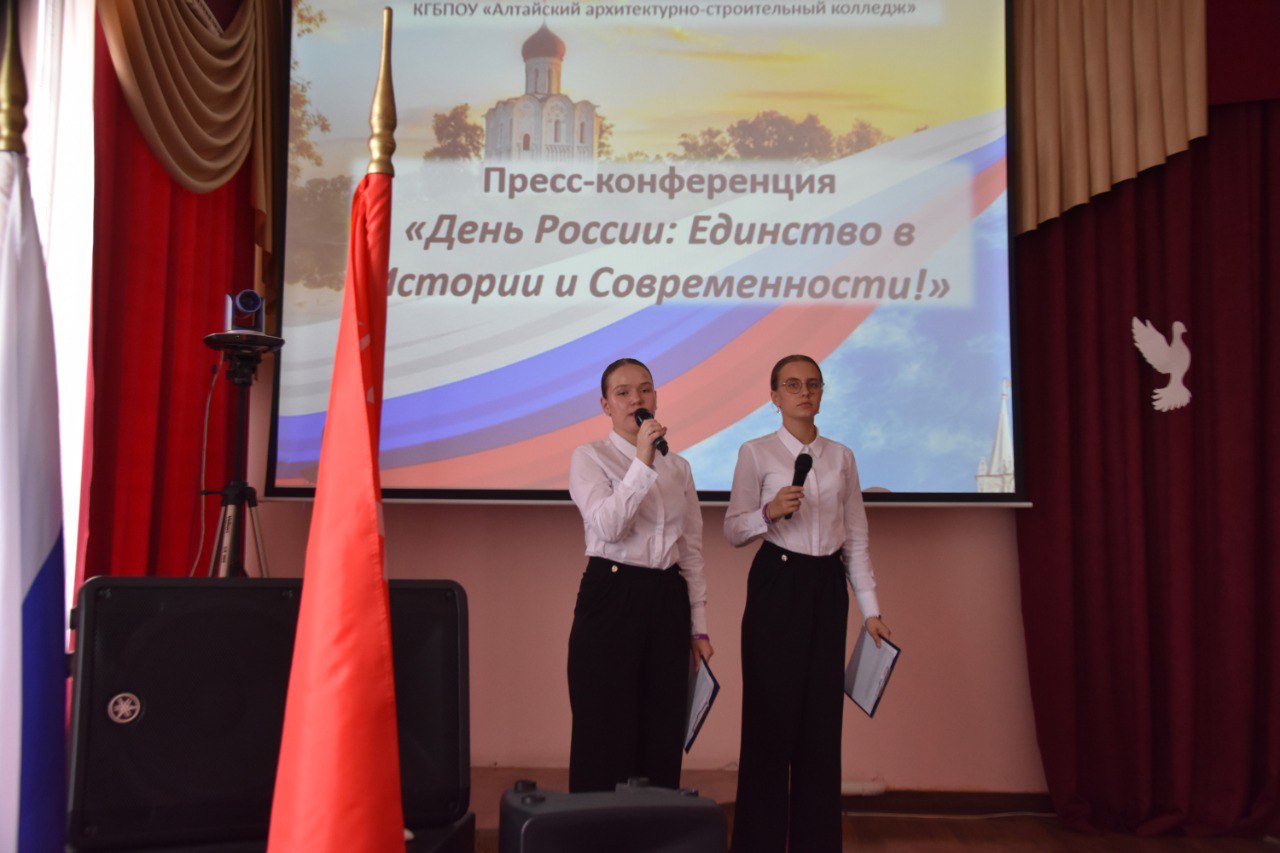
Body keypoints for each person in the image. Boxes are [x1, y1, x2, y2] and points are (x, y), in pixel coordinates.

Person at [724, 354, 891, 853]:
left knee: (821, 722)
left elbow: (856, 537)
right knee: (770, 720)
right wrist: (768, 512)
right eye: (793, 385)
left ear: (822, 393)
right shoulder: (755, 452)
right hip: (777, 582)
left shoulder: (841, 456)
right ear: (774, 396)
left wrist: (871, 610)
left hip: (826, 587)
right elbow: (733, 529)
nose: (804, 392)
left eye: (813, 384)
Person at [566, 358, 714, 793]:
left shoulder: (679, 467)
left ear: (656, 397)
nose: (637, 399)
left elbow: (691, 550)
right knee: (604, 728)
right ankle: (597, 826)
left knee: (662, 728)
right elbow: (608, 527)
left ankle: (655, 824)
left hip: (667, 596)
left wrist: (699, 627)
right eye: (624, 392)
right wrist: (642, 462)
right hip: (612, 594)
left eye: (645, 389)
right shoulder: (589, 457)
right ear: (606, 405)